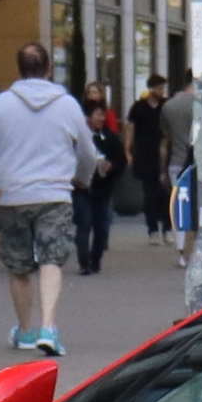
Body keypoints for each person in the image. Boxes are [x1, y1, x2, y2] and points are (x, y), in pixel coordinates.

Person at [0, 42, 100, 357]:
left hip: (14, 195)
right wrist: (83, 178)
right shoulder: (67, 104)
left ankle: (25, 330)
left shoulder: (1, 104)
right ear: (48, 69)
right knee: (52, 260)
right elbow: (87, 151)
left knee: (18, 265)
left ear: (19, 69)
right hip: (56, 194)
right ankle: (49, 328)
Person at [76, 99, 123, 274]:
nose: (101, 118)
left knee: (101, 227)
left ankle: (95, 259)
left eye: (103, 114)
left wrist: (112, 166)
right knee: (84, 224)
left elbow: (121, 160)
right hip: (81, 188)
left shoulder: (109, 137)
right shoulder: (79, 136)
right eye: (97, 114)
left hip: (102, 189)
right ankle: (84, 261)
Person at [125, 77, 171, 246]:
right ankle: (152, 229)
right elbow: (130, 129)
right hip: (144, 154)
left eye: (163, 88)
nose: (161, 92)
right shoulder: (138, 108)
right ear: (150, 89)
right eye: (158, 88)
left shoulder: (166, 106)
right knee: (150, 194)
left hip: (164, 154)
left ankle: (167, 228)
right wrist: (128, 152)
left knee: (165, 194)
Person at [159, 73, 197, 267]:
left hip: (176, 162)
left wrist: (163, 169)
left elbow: (166, 139)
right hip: (196, 163)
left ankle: (182, 251)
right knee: (196, 207)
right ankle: (193, 251)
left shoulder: (168, 106)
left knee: (179, 208)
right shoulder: (201, 104)